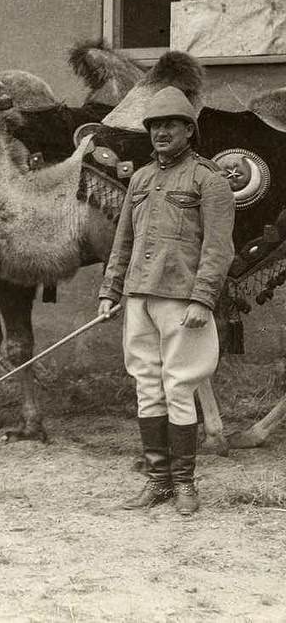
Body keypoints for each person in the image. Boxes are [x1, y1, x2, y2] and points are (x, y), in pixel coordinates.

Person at [97, 86, 235, 515]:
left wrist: (202, 300)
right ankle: (157, 482)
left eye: (170, 125)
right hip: (139, 298)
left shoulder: (207, 180)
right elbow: (123, 242)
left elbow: (218, 248)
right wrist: (110, 291)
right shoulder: (140, 179)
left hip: (181, 300)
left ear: (188, 131)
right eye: (155, 125)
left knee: (179, 388)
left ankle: (184, 485)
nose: (161, 132)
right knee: (147, 387)